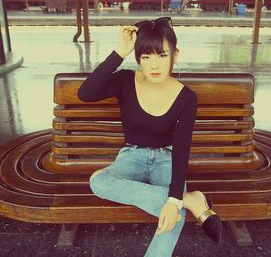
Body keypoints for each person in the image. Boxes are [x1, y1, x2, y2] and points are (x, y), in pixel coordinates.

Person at [77, 17, 222, 256]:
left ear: (176, 54)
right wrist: (120, 51)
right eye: (146, 57)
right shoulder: (125, 80)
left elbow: (182, 148)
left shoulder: (186, 97)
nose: (154, 65)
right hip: (131, 156)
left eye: (162, 56)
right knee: (98, 182)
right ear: (138, 58)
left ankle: (184, 202)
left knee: (175, 212)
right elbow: (86, 93)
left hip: (167, 158)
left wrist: (174, 200)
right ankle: (192, 200)